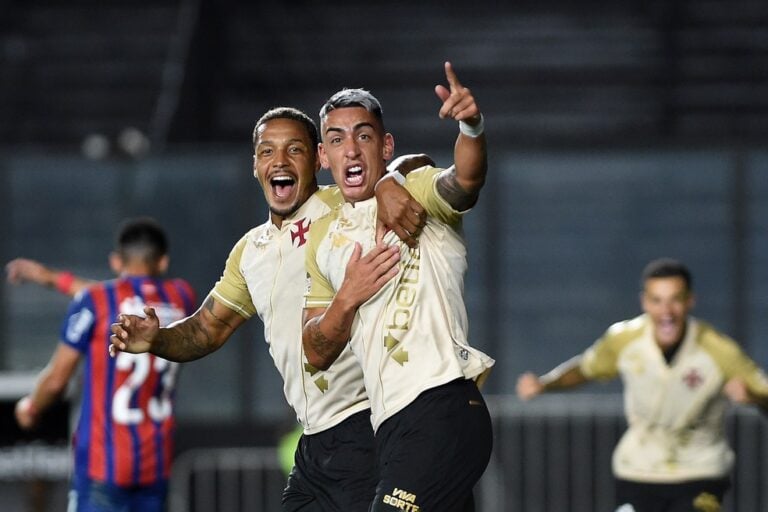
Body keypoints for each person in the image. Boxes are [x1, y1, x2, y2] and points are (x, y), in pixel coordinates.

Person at [109, 106, 432, 511]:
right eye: (267, 152)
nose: (278, 161)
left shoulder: (349, 205)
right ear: (255, 165)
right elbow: (208, 329)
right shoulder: (250, 250)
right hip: (314, 440)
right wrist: (158, 339)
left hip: (367, 424)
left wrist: (391, 179)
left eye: (293, 150)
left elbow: (424, 168)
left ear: (318, 158)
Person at [301, 61, 495, 512]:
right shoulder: (323, 240)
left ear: (385, 145)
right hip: (390, 427)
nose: (351, 149)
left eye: (364, 135)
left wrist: (471, 126)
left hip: (439, 408)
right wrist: (349, 295)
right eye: (336, 139)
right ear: (322, 158)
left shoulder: (414, 190)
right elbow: (316, 351)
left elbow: (464, 181)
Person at [516, 257, 768, 512]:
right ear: (644, 302)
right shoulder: (623, 339)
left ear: (690, 300)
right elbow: (586, 369)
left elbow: (764, 392)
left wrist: (754, 398)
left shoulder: (719, 350)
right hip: (638, 472)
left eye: (675, 300)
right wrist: (546, 384)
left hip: (700, 472)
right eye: (657, 300)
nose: (666, 312)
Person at [13, 217, 197, 512]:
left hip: (104, 466)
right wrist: (50, 278)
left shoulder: (96, 301)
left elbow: (57, 380)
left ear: (115, 262)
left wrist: (31, 408)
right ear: (162, 263)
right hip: (156, 464)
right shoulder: (182, 298)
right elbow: (119, 296)